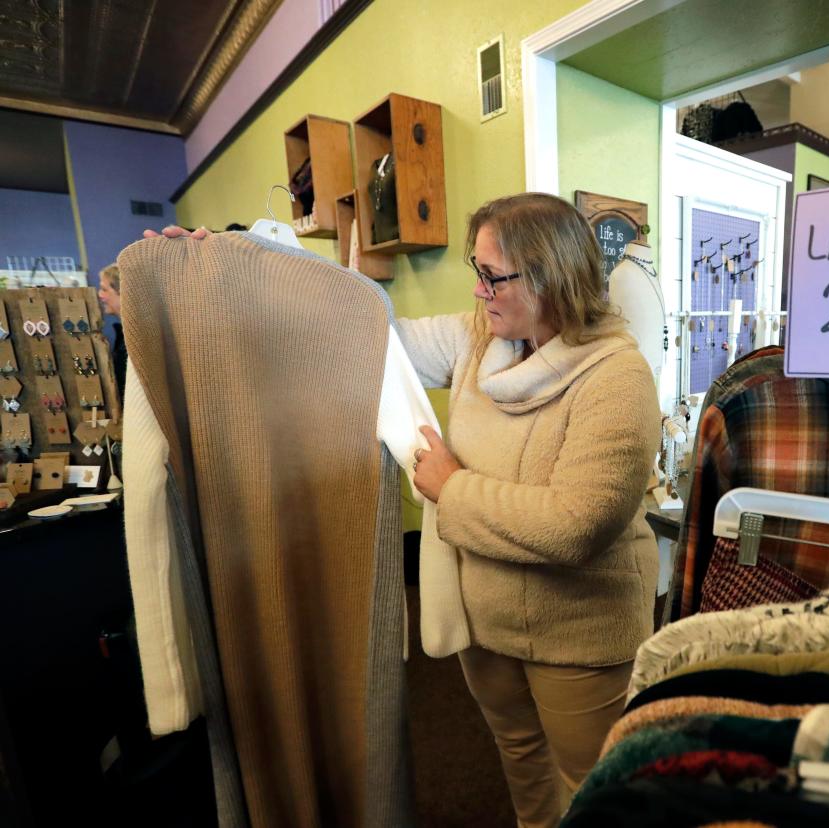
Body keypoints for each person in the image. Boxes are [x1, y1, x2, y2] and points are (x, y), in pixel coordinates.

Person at [143, 193, 662, 828]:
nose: (477, 291)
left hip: (579, 634)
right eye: (477, 270)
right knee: (525, 772)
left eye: (491, 276)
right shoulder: (479, 342)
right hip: (488, 624)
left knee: (597, 793)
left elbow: (576, 525)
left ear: (547, 274)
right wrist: (243, 259)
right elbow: (365, 334)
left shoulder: (617, 378)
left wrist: (451, 487)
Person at [97, 263, 126, 398]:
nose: (100, 295)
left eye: (104, 289)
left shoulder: (139, 336)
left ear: (122, 292)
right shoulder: (123, 335)